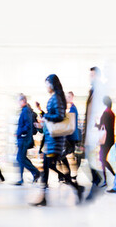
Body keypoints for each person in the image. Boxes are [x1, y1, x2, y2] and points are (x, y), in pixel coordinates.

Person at [31, 74, 85, 207]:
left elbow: (59, 116)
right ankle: (74, 187)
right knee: (48, 165)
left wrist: (46, 117)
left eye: (47, 84)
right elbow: (54, 115)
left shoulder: (57, 98)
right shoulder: (56, 98)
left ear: (51, 84)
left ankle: (73, 187)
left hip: (55, 139)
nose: (46, 87)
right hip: (51, 138)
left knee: (47, 165)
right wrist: (42, 113)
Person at [15, 94, 40, 185]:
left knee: (20, 158)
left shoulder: (25, 111)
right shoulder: (25, 110)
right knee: (22, 158)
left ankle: (36, 172)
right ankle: (22, 178)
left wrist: (20, 133)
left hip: (24, 138)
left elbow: (27, 126)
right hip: (24, 138)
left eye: (18, 101)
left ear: (23, 101)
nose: (18, 103)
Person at [97, 96, 116, 186]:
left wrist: (96, 125)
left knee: (102, 159)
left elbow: (102, 126)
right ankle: (107, 179)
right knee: (103, 159)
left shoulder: (106, 113)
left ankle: (114, 176)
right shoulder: (111, 112)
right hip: (109, 139)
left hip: (104, 140)